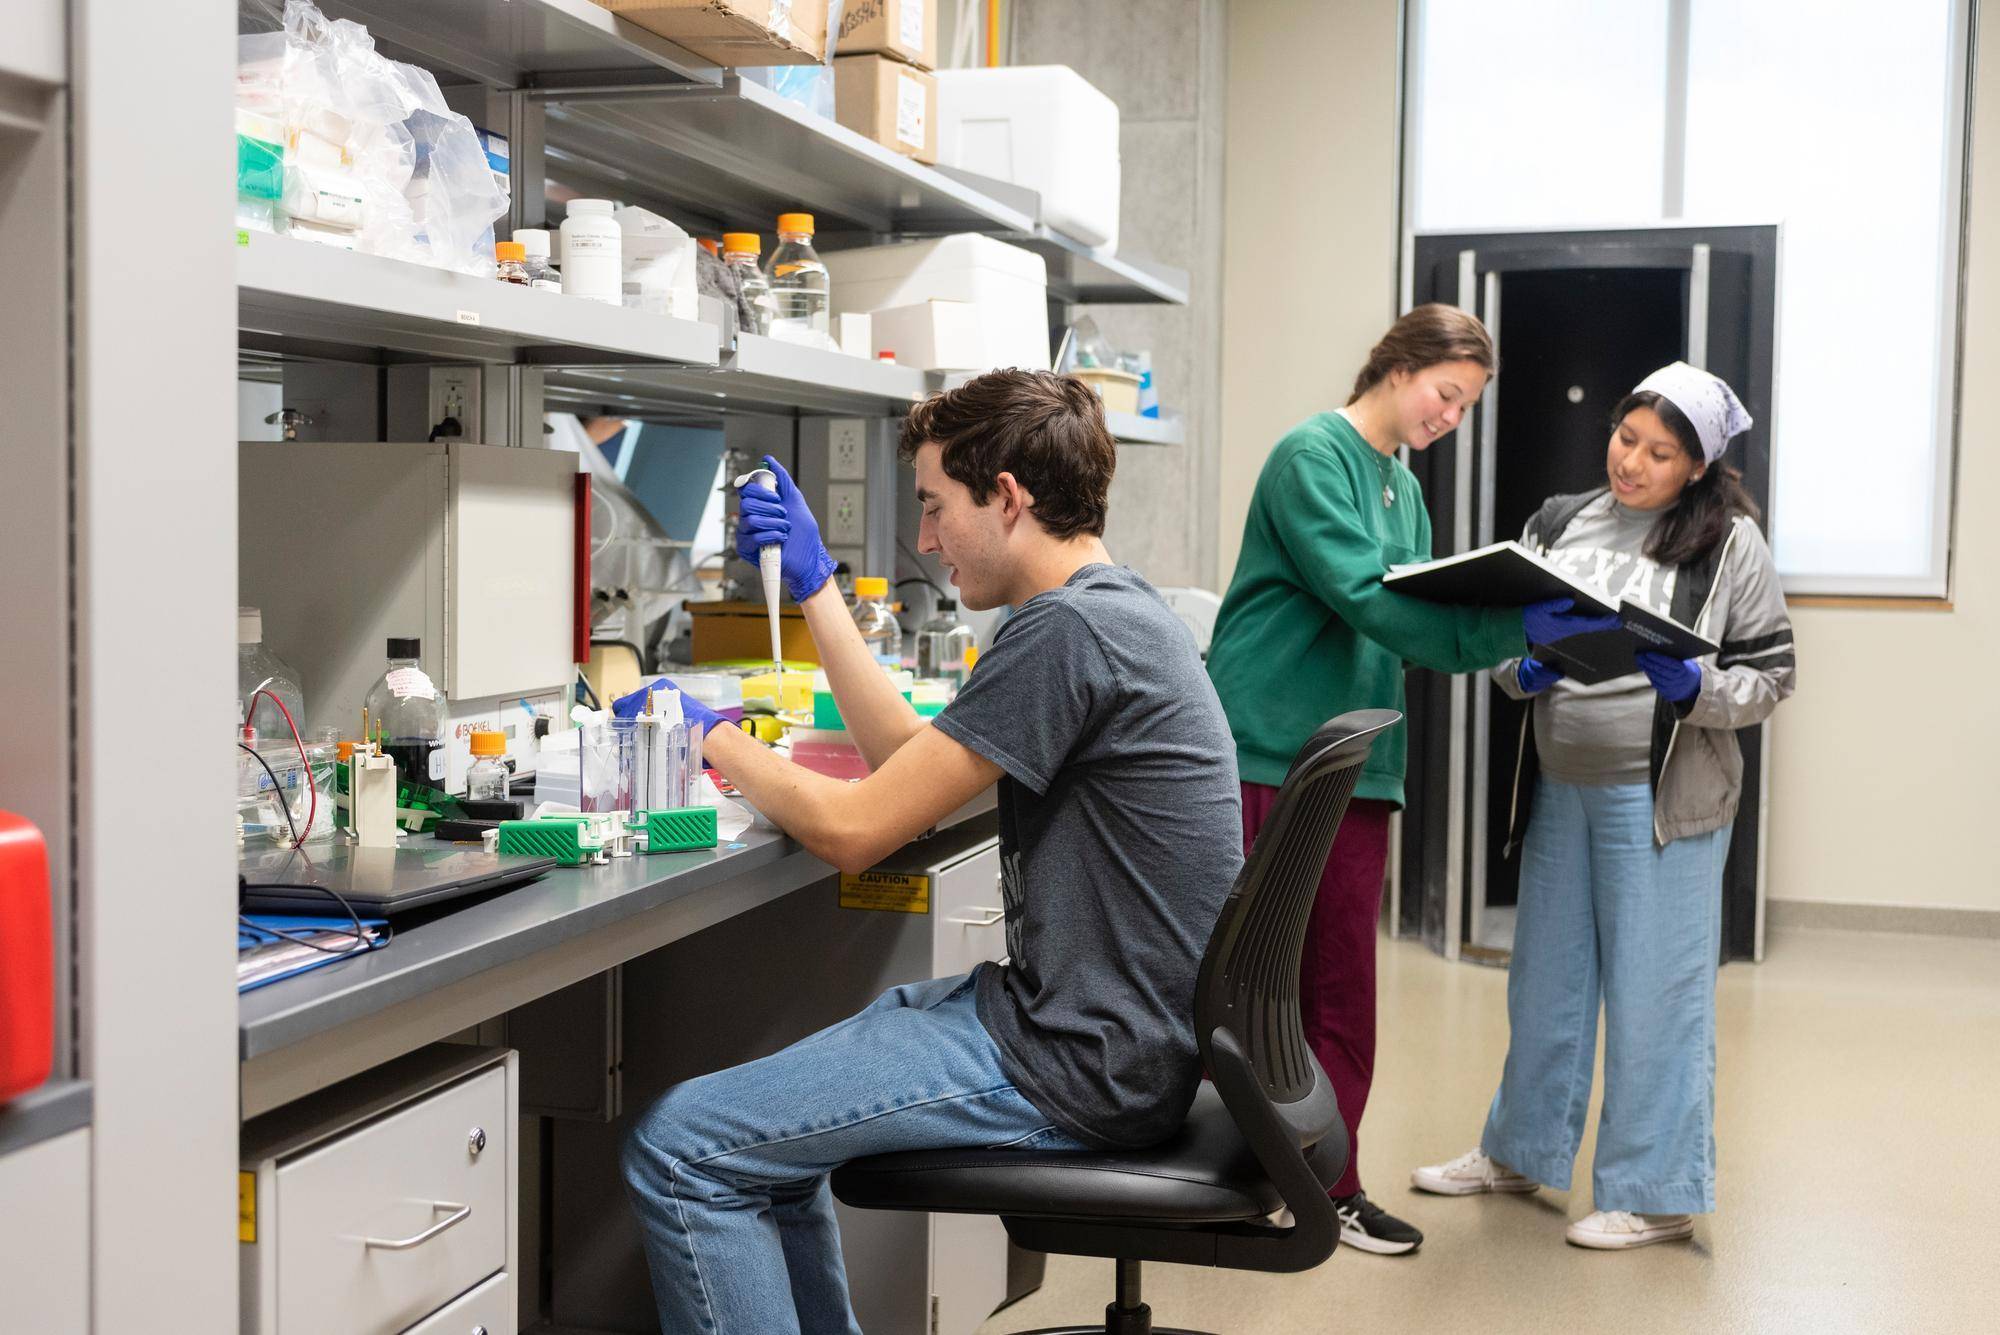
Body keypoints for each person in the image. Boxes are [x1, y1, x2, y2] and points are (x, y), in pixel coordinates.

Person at [617, 369, 1245, 1333]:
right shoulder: (1113, 610)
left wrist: (703, 732)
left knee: (682, 1148)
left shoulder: (1066, 633)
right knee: (765, 1152)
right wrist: (819, 588)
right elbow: (906, 768)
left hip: (1080, 1059)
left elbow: (856, 832)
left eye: (933, 505)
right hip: (1110, 1036)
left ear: (1007, 497)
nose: (922, 540)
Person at [1203, 304, 1617, 1255]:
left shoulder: (1404, 488)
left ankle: (1328, 1184)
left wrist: (1524, 628)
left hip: (1360, 756)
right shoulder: (1310, 457)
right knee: (1240, 975)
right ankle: (1228, 1170)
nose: (1450, 420)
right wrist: (1515, 630)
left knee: (1341, 987)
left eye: (1465, 407)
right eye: (1447, 395)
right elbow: (1365, 596)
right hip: (1268, 745)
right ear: (1399, 367)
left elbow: (1409, 624)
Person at [1411, 362, 1795, 1251]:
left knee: (1657, 995)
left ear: (1696, 468)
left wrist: (1698, 687)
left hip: (1661, 803)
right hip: (1562, 786)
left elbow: (1772, 675)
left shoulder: (1728, 542)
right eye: (1628, 438)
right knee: (1544, 982)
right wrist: (1524, 666)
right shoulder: (1558, 519)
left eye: (1661, 454)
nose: (1634, 463)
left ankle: (1656, 1195)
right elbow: (1507, 638)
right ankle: (1519, 1150)